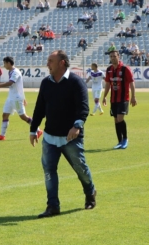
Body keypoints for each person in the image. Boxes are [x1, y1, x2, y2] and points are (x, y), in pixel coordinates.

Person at [30, 50, 96, 218]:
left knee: (80, 168)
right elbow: (39, 109)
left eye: (50, 61)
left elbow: (83, 108)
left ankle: (90, 192)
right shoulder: (46, 83)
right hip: (50, 137)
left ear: (62, 63)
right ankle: (53, 206)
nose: (47, 64)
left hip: (71, 137)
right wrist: (33, 129)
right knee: (49, 171)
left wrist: (77, 126)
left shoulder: (76, 82)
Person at [0, 56, 42, 141]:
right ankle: (2, 135)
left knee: (23, 117)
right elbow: (19, 86)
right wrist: (24, 98)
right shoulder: (10, 72)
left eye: (5, 63)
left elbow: (10, 83)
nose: (4, 65)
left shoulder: (15, 72)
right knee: (5, 115)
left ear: (9, 63)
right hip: (11, 97)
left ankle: (38, 130)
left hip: (16, 98)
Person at [102, 51, 137, 149]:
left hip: (123, 98)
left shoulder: (125, 69)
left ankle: (125, 139)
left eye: (114, 56)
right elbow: (108, 84)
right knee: (116, 120)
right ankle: (119, 141)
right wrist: (104, 96)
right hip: (113, 99)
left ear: (119, 57)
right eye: (111, 56)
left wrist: (133, 96)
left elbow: (131, 82)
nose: (112, 58)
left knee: (120, 119)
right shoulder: (109, 69)